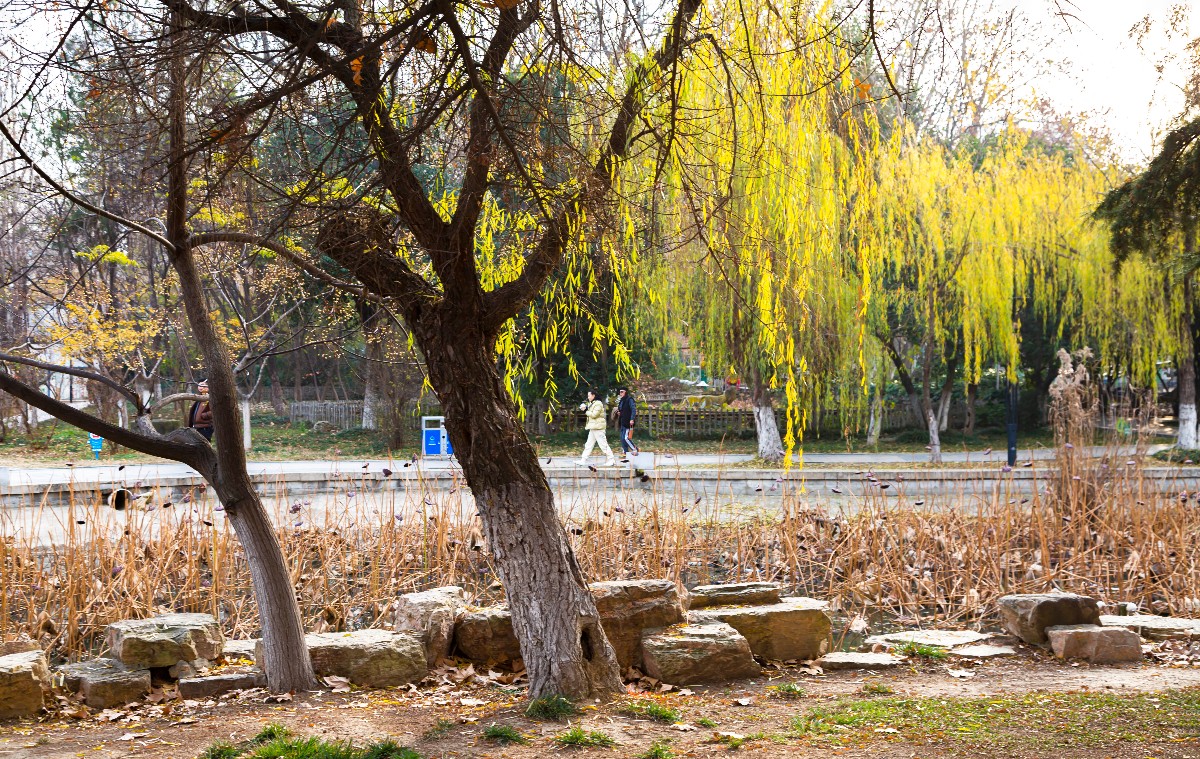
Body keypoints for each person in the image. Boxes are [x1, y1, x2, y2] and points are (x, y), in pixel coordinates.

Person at [578, 390, 615, 466]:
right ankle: (583, 460)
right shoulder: (592, 403)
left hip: (598, 428)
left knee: (603, 444)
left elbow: (594, 415)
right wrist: (585, 408)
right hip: (593, 427)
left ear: (593, 395)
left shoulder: (598, 403)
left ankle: (611, 460)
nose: (588, 397)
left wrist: (585, 410)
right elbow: (590, 411)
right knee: (588, 445)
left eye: (589, 395)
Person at [616, 386, 638, 457]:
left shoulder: (629, 399)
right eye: (620, 392)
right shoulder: (621, 400)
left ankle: (635, 449)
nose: (620, 393)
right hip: (622, 421)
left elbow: (633, 409)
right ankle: (625, 452)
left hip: (628, 421)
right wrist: (619, 412)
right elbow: (621, 409)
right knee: (622, 438)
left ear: (625, 392)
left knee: (626, 438)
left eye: (622, 392)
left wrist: (632, 419)